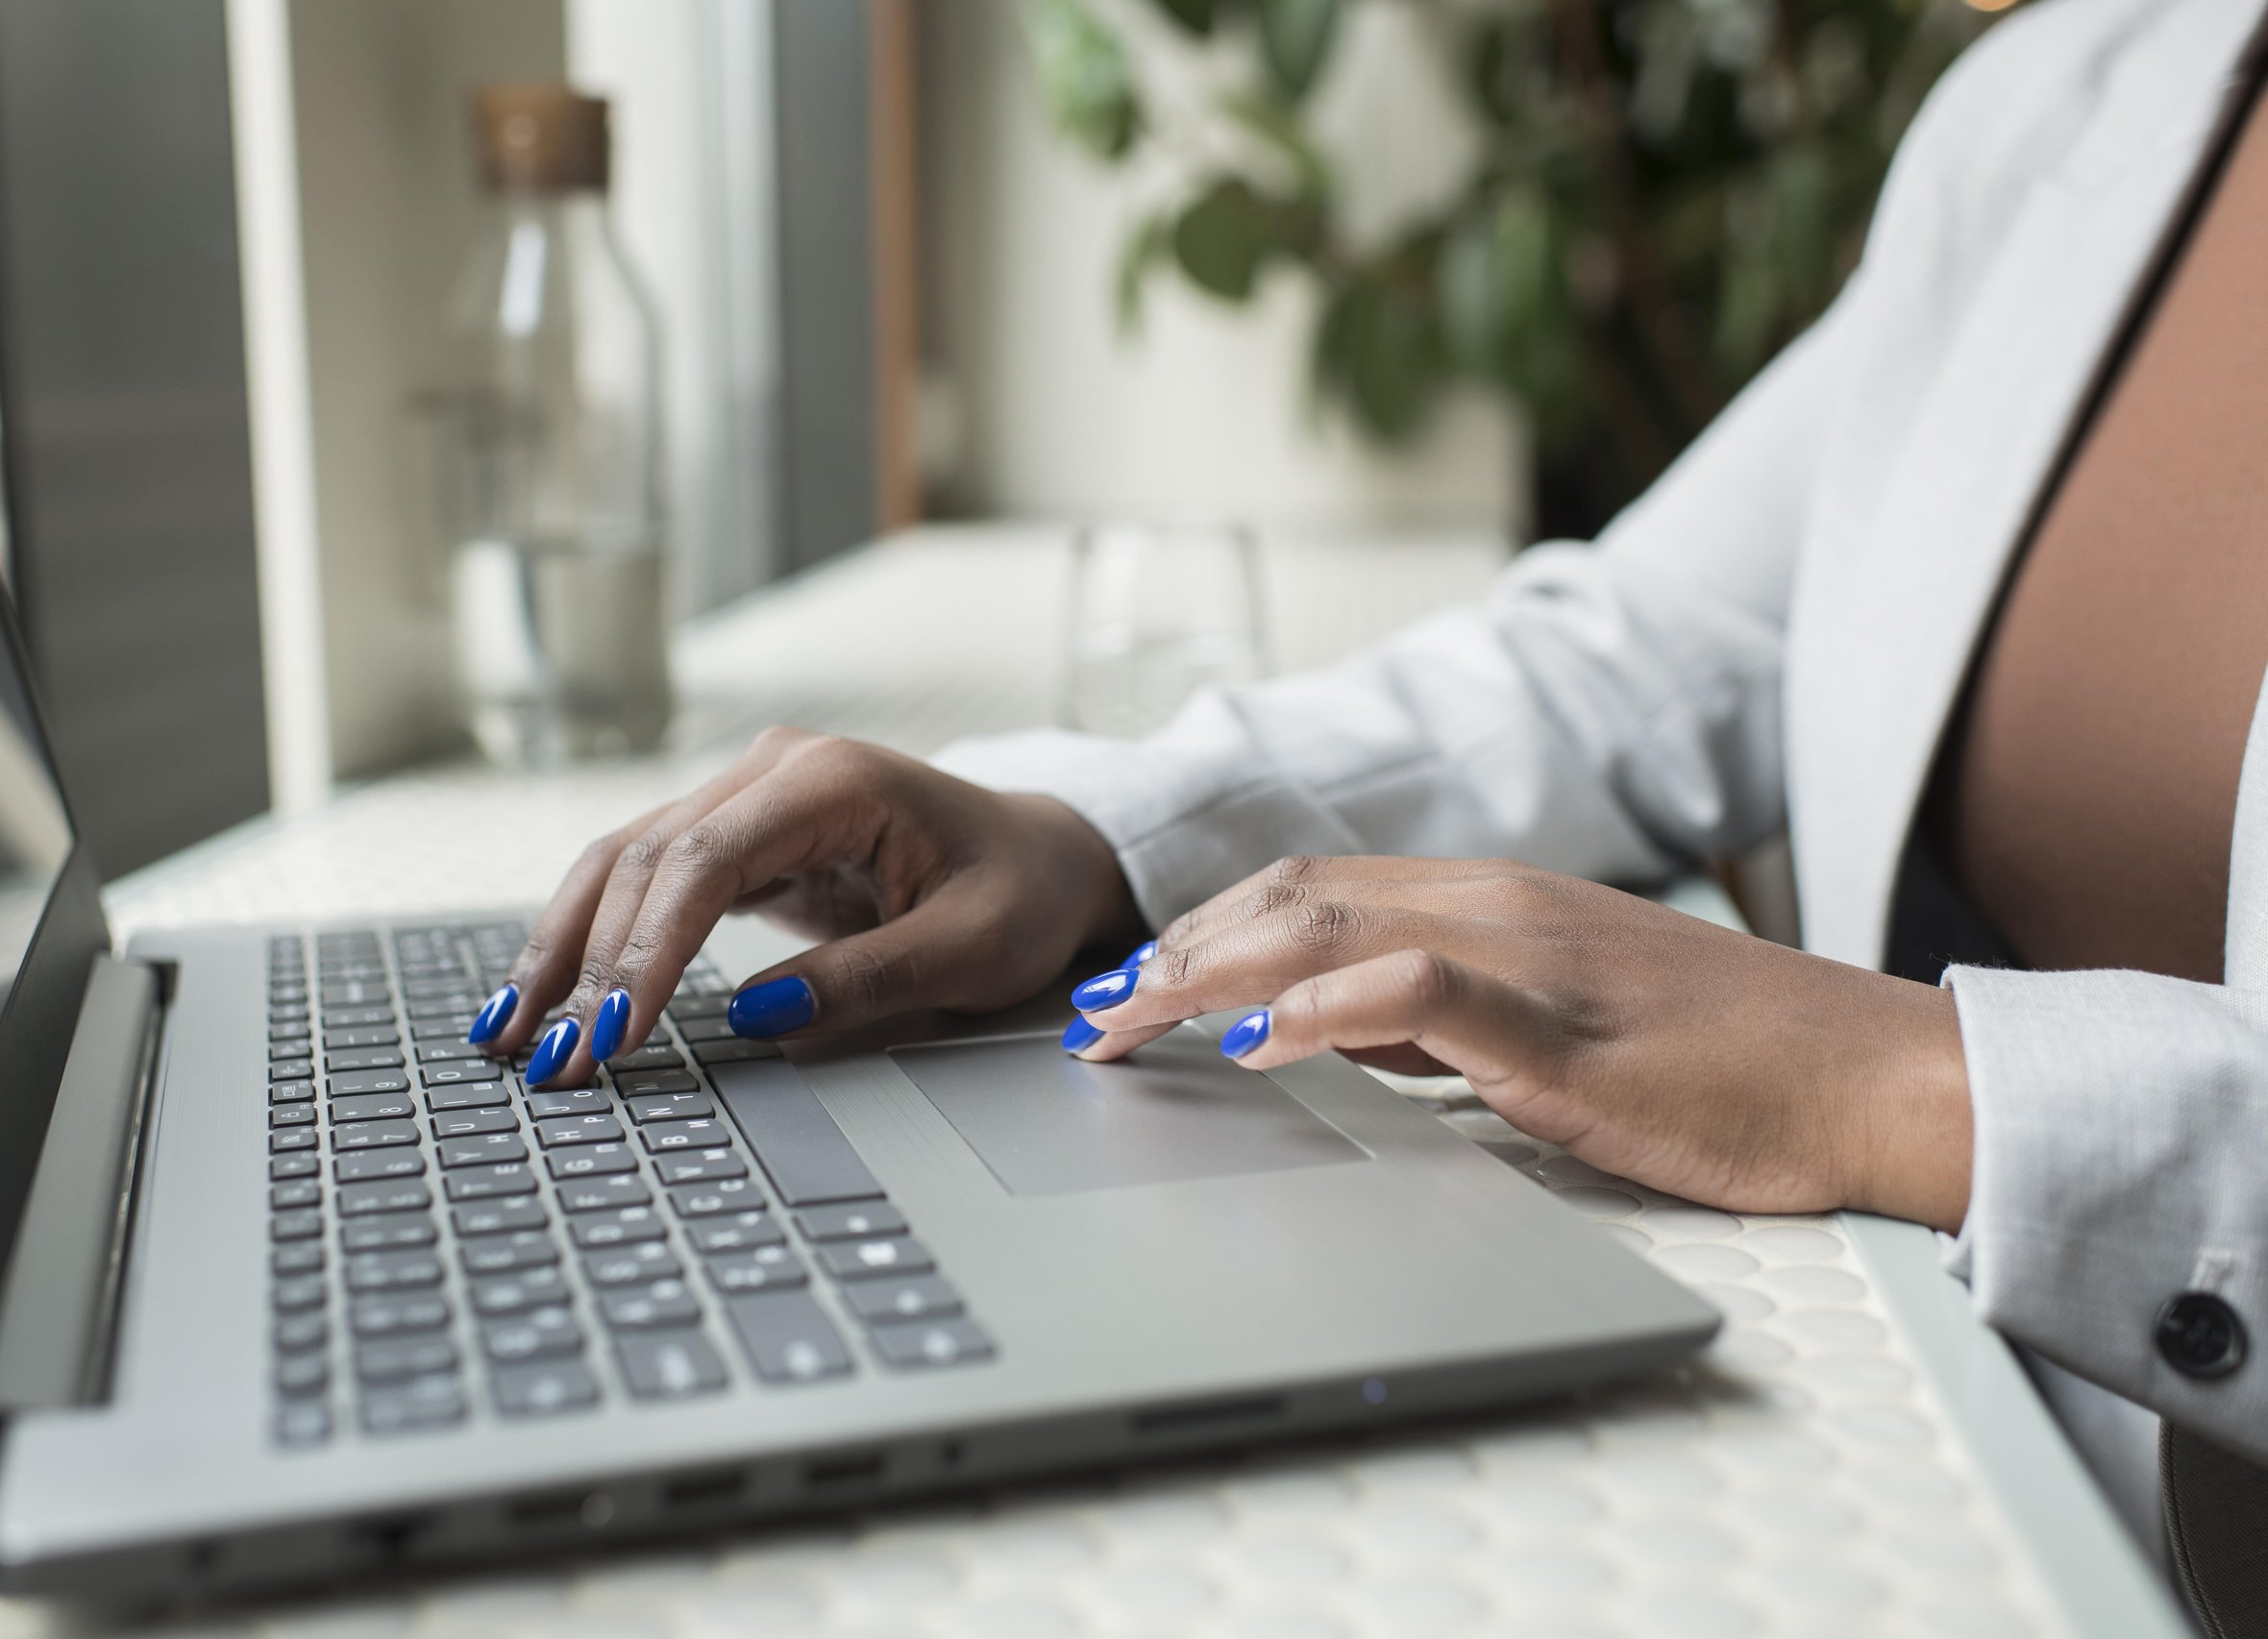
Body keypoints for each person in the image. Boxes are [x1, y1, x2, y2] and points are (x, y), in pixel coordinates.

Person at [472, 0, 2268, 1616]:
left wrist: (1901, 1083)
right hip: (1951, 1446)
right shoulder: (2077, 92)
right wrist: (1091, 836)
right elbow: (1647, 640)